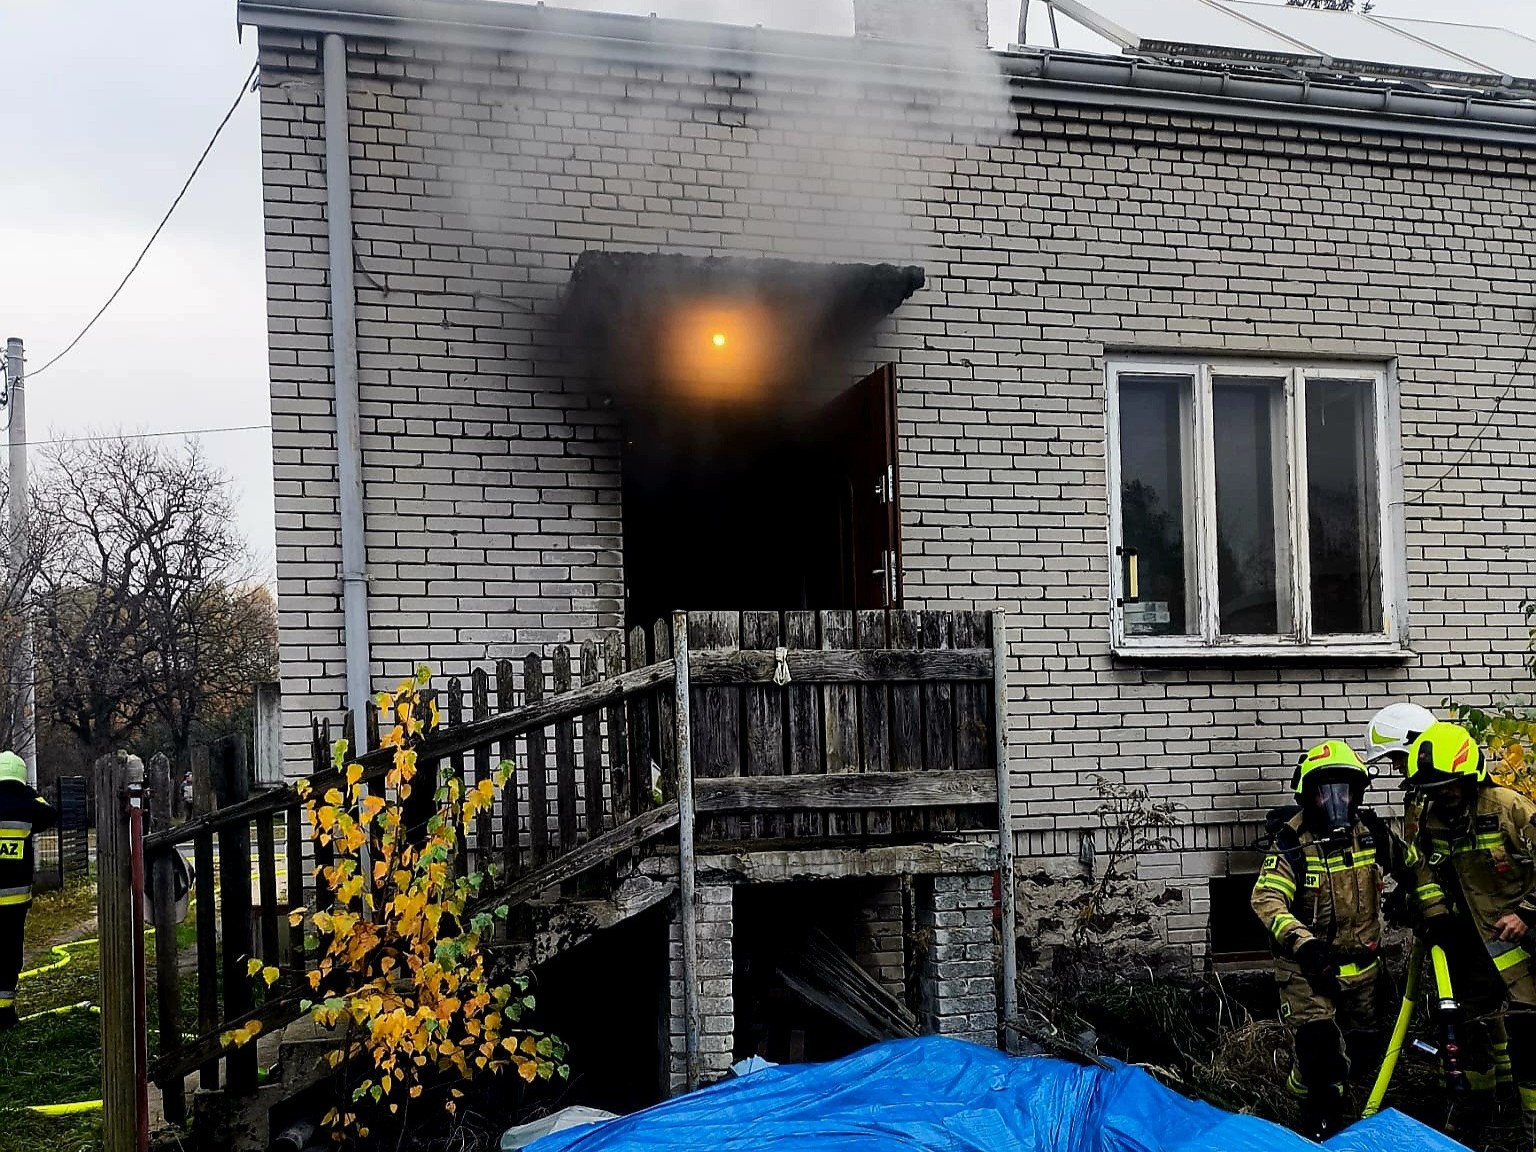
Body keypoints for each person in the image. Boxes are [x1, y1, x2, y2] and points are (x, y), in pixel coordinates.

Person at [1252, 741, 1401, 1140]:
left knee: (1363, 1055)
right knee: (1321, 1050)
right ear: (1308, 795)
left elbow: (1414, 866)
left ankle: (1312, 1085)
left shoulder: (1370, 832)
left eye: (1346, 790)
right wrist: (1303, 943)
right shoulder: (1291, 844)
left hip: (1364, 970)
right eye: (1324, 791)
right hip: (1310, 970)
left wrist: (1420, 900)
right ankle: (1316, 1121)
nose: (1336, 800)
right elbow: (1266, 898)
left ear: (1358, 793)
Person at [1408, 721, 1536, 1147]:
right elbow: (1425, 872)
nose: (1440, 795)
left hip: (1527, 942)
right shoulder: (1433, 821)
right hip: (1476, 945)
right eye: (1432, 789)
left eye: (1446, 787)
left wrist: (1528, 914)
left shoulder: (1509, 808)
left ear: (1468, 776)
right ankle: (1478, 1122)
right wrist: (1437, 914)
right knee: (1470, 1031)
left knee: (1530, 1041)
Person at [0, 750, 57, 1029]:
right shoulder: (27, 804)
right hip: (13, 901)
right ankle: (4, 1012)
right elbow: (50, 813)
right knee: (9, 954)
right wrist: (29, 792)